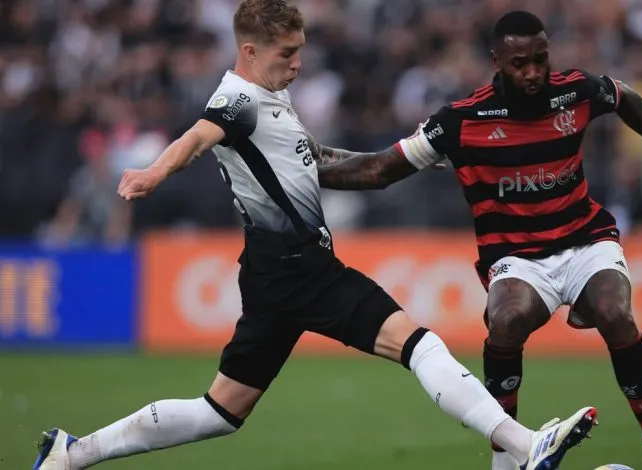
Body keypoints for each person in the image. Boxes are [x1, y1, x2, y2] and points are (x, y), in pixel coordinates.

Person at [31, 3, 599, 470]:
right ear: (250, 51)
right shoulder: (238, 98)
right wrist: (156, 171)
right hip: (299, 267)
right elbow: (201, 134)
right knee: (418, 344)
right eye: (287, 53)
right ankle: (526, 447)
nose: (299, 63)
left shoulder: (271, 98)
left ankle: (71, 454)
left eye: (300, 50)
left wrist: (412, 161)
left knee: (220, 411)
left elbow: (317, 162)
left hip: (273, 272)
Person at [315, 10, 642, 470]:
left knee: (615, 311)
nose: (532, 72)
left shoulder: (575, 90)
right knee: (507, 320)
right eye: (520, 63)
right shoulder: (461, 120)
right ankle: (508, 459)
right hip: (515, 255)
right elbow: (379, 169)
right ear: (497, 61)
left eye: (540, 59)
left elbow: (625, 97)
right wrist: (305, 173)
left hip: (585, 238)